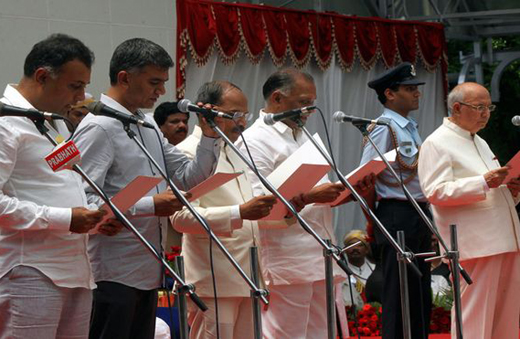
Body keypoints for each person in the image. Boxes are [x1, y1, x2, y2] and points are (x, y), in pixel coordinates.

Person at [73, 38, 221, 339]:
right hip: (110, 272)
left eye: (163, 82)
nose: (161, 91)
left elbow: (187, 177)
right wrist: (151, 206)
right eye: (154, 82)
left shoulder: (147, 124)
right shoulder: (98, 126)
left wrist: (207, 137)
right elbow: (80, 199)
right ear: (125, 78)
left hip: (147, 267)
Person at [237, 68, 373, 339]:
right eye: (303, 102)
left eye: (313, 102)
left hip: (319, 250)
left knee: (321, 332)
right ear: (277, 98)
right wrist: (311, 196)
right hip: (286, 256)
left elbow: (316, 194)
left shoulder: (303, 135)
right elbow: (256, 205)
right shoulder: (254, 140)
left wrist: (344, 193)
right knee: (287, 333)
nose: (310, 109)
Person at [0, 33, 121, 338]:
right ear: (42, 76)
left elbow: (59, 184)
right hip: (29, 270)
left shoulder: (50, 122)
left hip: (75, 270)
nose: (82, 97)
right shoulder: (5, 123)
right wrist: (66, 219)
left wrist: (93, 219)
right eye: (75, 86)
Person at [172, 80, 277, 339]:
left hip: (247, 274)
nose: (242, 123)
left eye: (244, 115)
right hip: (213, 278)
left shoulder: (235, 150)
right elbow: (179, 217)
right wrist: (239, 213)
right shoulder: (186, 153)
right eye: (234, 115)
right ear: (207, 112)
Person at [418, 82, 520, 339]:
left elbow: (491, 189)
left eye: (489, 107)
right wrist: (484, 181)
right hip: (475, 243)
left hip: (503, 238)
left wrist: (511, 190)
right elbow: (435, 192)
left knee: (505, 315)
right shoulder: (437, 142)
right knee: (475, 315)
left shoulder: (479, 141)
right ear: (457, 108)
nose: (486, 113)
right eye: (479, 107)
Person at [360, 62, 432, 339]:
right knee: (399, 291)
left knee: (419, 288)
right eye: (409, 88)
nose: (417, 94)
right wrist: (373, 220)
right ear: (390, 94)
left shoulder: (409, 127)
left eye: (416, 88)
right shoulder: (383, 128)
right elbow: (365, 178)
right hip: (395, 212)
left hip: (418, 211)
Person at [342, 230, 374, 308]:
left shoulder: (375, 269)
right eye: (350, 245)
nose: (355, 248)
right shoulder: (340, 273)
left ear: (366, 250)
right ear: (345, 250)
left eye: (360, 245)